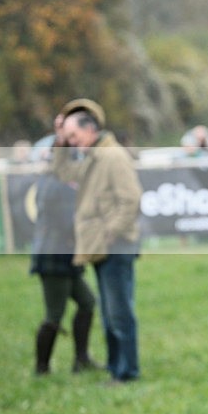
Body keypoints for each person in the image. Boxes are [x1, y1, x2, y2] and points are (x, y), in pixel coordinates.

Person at [52, 99, 143, 384]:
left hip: (114, 247)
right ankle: (117, 367)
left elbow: (131, 200)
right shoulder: (94, 156)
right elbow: (63, 172)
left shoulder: (112, 157)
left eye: (74, 137)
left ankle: (126, 371)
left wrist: (108, 233)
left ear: (90, 130)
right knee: (109, 313)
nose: (73, 143)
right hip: (103, 248)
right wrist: (60, 141)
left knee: (118, 313)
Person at [31, 166, 100, 375]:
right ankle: (41, 368)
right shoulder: (53, 184)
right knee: (54, 314)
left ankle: (82, 359)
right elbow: (67, 220)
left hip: (66, 258)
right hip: (53, 258)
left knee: (87, 302)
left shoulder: (61, 182)